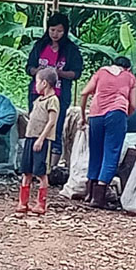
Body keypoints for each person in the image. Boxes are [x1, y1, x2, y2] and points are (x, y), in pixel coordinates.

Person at [79, 56, 136, 208]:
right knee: (111, 153)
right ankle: (99, 197)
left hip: (95, 115)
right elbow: (133, 105)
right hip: (117, 113)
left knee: (95, 153)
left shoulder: (101, 72)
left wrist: (83, 116)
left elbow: (84, 93)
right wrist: (124, 115)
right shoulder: (129, 77)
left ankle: (89, 192)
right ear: (128, 68)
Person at [26, 12, 83, 167]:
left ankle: (51, 167)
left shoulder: (71, 50)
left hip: (59, 95)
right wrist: (37, 71)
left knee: (55, 129)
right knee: (35, 127)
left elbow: (76, 73)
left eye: (59, 31)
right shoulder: (40, 45)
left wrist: (58, 73)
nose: (55, 34)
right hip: (37, 94)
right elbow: (29, 67)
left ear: (65, 31)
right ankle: (33, 163)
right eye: (52, 30)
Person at [17, 68, 60, 215]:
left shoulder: (53, 100)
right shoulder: (38, 100)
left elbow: (52, 121)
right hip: (31, 138)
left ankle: (41, 203)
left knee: (41, 172)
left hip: (43, 140)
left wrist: (41, 138)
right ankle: (23, 202)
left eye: (37, 82)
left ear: (44, 83)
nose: (36, 85)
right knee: (26, 171)